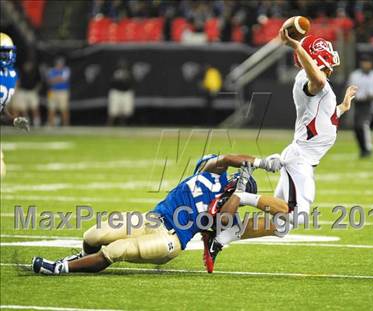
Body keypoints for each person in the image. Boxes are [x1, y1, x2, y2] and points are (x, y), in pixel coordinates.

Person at [202, 29, 358, 272]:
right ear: (314, 58)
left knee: (281, 225)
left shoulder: (322, 87)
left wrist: (343, 107)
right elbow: (316, 81)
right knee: (295, 215)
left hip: (302, 160)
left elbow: (324, 118)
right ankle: (241, 196)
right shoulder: (311, 82)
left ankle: (221, 239)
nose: (330, 68)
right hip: (300, 160)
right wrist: (298, 47)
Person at [31, 154, 288, 275]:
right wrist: (258, 162)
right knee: (94, 234)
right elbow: (228, 158)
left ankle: (62, 268)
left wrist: (240, 197)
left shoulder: (228, 211)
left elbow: (221, 220)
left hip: (170, 240)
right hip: (151, 218)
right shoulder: (210, 173)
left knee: (115, 251)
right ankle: (81, 260)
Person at [0, 32, 30, 178]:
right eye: (4, 53)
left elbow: (0, 108)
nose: (8, 56)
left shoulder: (10, 75)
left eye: (9, 52)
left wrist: (13, 120)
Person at [348, 54, 373, 157]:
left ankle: (368, 148)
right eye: (363, 62)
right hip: (357, 103)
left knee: (363, 125)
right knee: (356, 127)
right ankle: (362, 148)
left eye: (367, 62)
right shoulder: (354, 75)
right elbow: (349, 89)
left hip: (369, 104)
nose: (365, 64)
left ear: (371, 64)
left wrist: (370, 96)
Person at [12, 60, 42, 127]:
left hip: (32, 92)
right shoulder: (21, 71)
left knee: (35, 108)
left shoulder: (35, 72)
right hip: (22, 91)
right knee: (23, 109)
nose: (28, 66)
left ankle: (37, 124)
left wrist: (36, 90)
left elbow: (39, 82)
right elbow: (18, 81)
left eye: (29, 65)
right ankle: (26, 123)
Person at [107, 59, 134, 126]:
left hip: (125, 92)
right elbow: (110, 82)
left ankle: (122, 125)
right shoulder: (115, 72)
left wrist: (125, 79)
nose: (122, 65)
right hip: (116, 92)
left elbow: (132, 82)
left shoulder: (129, 72)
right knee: (113, 111)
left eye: (124, 64)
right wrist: (118, 79)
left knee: (124, 111)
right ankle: (109, 125)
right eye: (121, 64)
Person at [46, 56, 71, 126]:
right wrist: (58, 79)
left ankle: (66, 125)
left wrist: (55, 79)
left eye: (61, 63)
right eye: (58, 63)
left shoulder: (66, 70)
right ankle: (51, 125)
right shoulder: (51, 70)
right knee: (51, 108)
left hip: (63, 91)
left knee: (64, 109)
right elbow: (50, 81)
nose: (60, 65)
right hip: (52, 91)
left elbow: (64, 79)